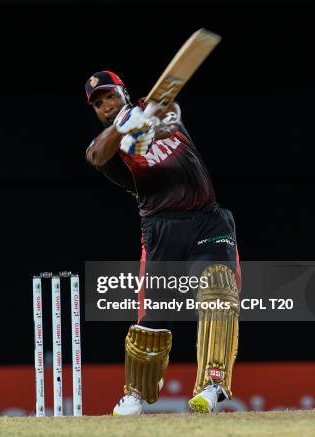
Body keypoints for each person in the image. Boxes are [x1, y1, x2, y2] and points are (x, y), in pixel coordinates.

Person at [84, 71, 240, 414]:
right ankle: (136, 395)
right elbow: (96, 155)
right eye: (98, 104)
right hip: (160, 230)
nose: (105, 106)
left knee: (218, 292)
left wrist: (149, 123)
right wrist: (124, 128)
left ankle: (213, 386)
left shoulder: (156, 106)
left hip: (206, 219)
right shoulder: (112, 146)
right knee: (154, 316)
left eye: (110, 97)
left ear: (123, 93)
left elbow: (171, 118)